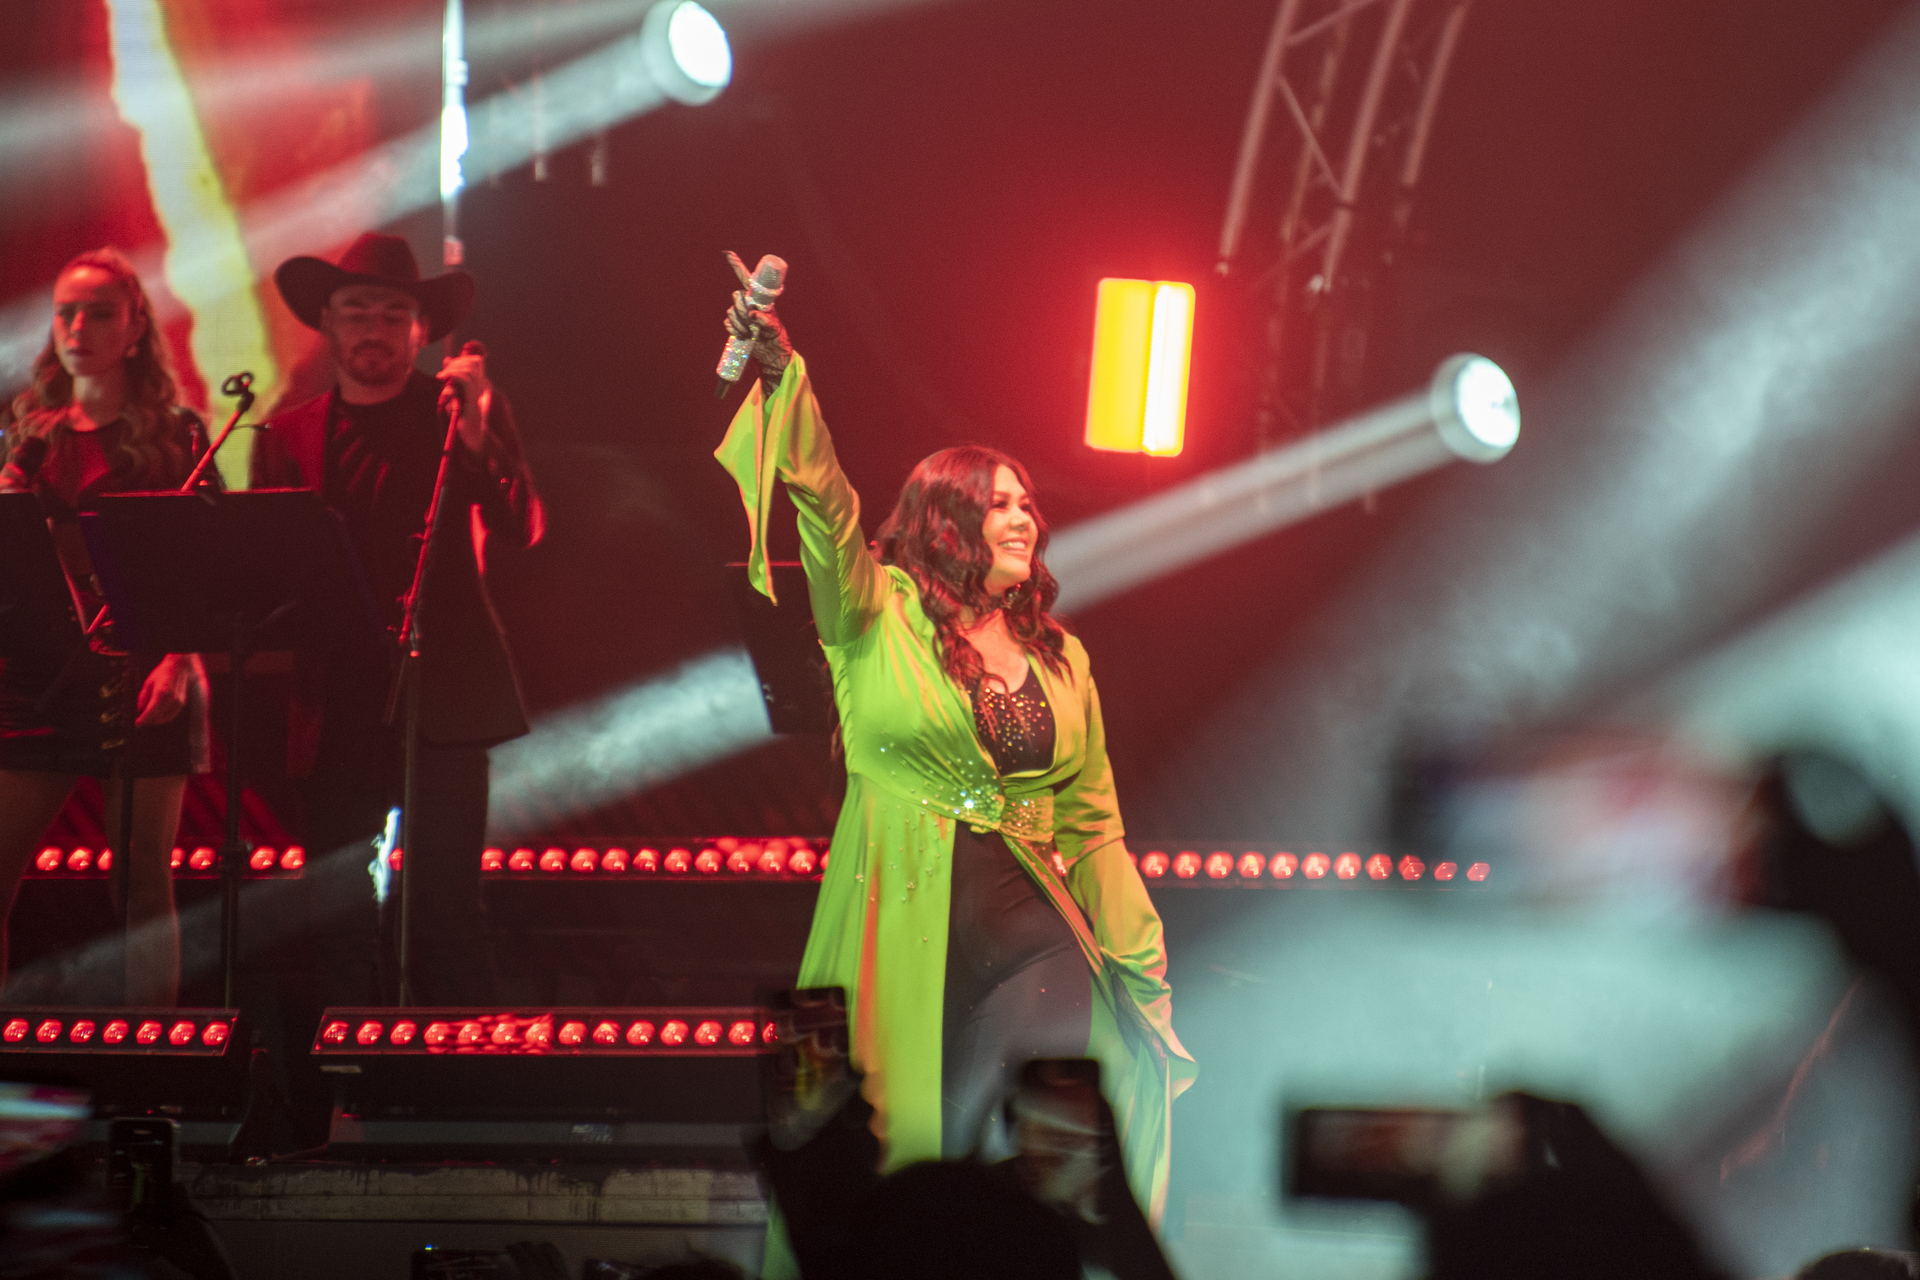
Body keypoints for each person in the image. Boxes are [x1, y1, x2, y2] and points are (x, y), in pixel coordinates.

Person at [712, 273, 1194, 1273]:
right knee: (891, 1167)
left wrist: (1141, 965)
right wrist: (783, 371)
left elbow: (1092, 824)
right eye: (997, 504)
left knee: (1021, 1160)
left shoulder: (1063, 657)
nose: (1024, 520)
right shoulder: (873, 614)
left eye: (1027, 504)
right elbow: (825, 505)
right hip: (896, 921)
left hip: (1034, 938)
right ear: (944, 521)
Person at [251, 231, 542, 1008]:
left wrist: (475, 430)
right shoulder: (287, 435)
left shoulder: (456, 414)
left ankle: (462, 1070)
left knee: (447, 908)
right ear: (328, 323)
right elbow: (268, 579)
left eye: (392, 314)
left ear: (421, 330)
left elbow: (523, 525)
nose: (373, 329)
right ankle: (346, 1067)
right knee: (336, 912)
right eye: (357, 311)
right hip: (336, 702)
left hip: (444, 693)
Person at [0, 247, 211, 1006]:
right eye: (65, 313)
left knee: (141, 884)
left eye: (98, 313)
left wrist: (179, 660)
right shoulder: (26, 435)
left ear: (135, 327)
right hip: (38, 672)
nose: (77, 328)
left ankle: (149, 1060)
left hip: (144, 666)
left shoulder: (177, 435)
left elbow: (210, 566)